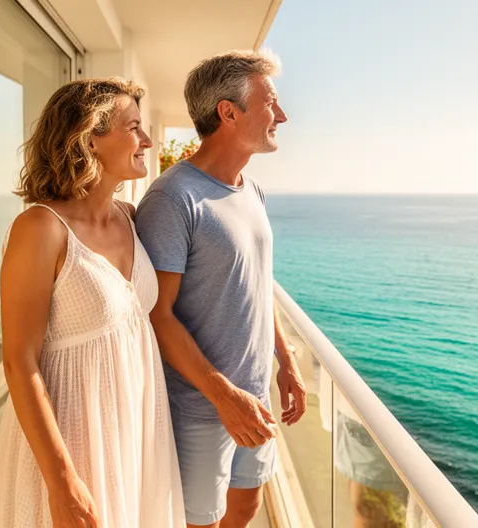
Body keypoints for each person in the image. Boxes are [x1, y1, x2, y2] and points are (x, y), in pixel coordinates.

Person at [0, 78, 185, 528]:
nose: (147, 140)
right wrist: (62, 481)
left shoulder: (131, 219)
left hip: (135, 432)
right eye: (134, 127)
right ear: (89, 139)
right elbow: (19, 361)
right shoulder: (40, 229)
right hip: (71, 443)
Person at [136, 49, 306, 528]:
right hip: (200, 408)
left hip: (253, 396)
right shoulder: (173, 198)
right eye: (270, 102)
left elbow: (256, 280)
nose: (283, 115)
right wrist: (224, 397)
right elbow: (157, 314)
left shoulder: (251, 191)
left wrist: (286, 360)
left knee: (247, 507)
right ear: (228, 112)